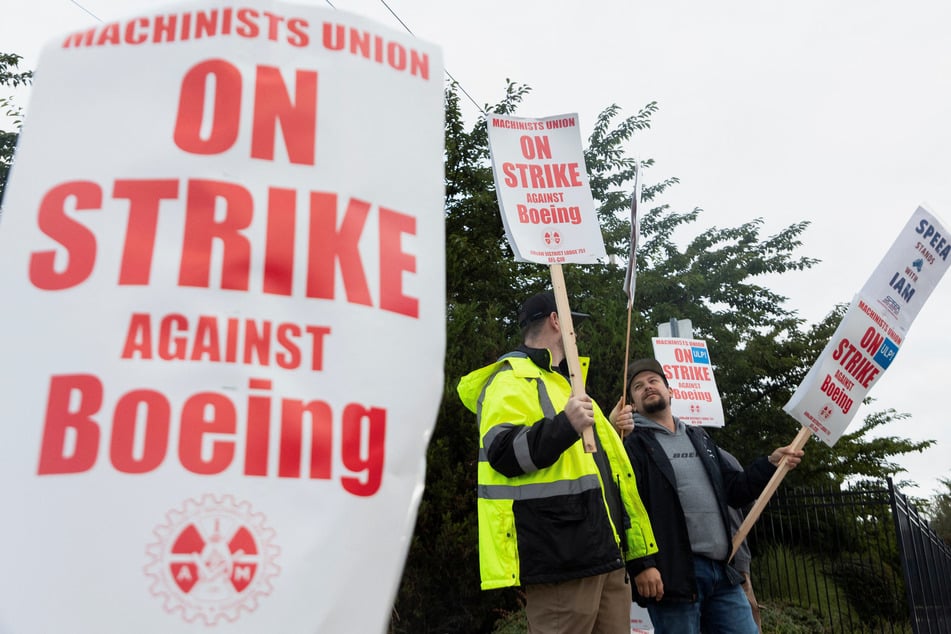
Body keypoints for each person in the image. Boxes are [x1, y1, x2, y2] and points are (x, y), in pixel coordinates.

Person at [457, 291, 658, 633]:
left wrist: (638, 556)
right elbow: (504, 453)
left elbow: (604, 474)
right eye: (571, 324)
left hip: (603, 555)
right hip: (562, 557)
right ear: (555, 321)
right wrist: (565, 425)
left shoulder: (566, 382)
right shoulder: (509, 379)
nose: (575, 334)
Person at [611, 358, 803, 633]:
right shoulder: (633, 447)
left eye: (653, 381)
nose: (647, 388)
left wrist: (769, 464)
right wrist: (642, 566)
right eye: (638, 387)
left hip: (722, 573)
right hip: (672, 577)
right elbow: (626, 509)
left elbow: (735, 490)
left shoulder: (699, 438)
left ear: (670, 391)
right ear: (632, 404)